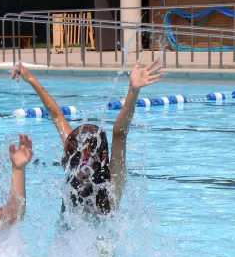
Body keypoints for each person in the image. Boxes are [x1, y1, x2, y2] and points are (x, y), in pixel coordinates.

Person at [11, 60, 163, 215]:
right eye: (75, 156)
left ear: (101, 159)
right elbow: (56, 115)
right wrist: (30, 78)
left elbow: (120, 133)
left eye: (85, 156)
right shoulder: (73, 164)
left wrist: (133, 91)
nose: (81, 164)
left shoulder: (112, 184)